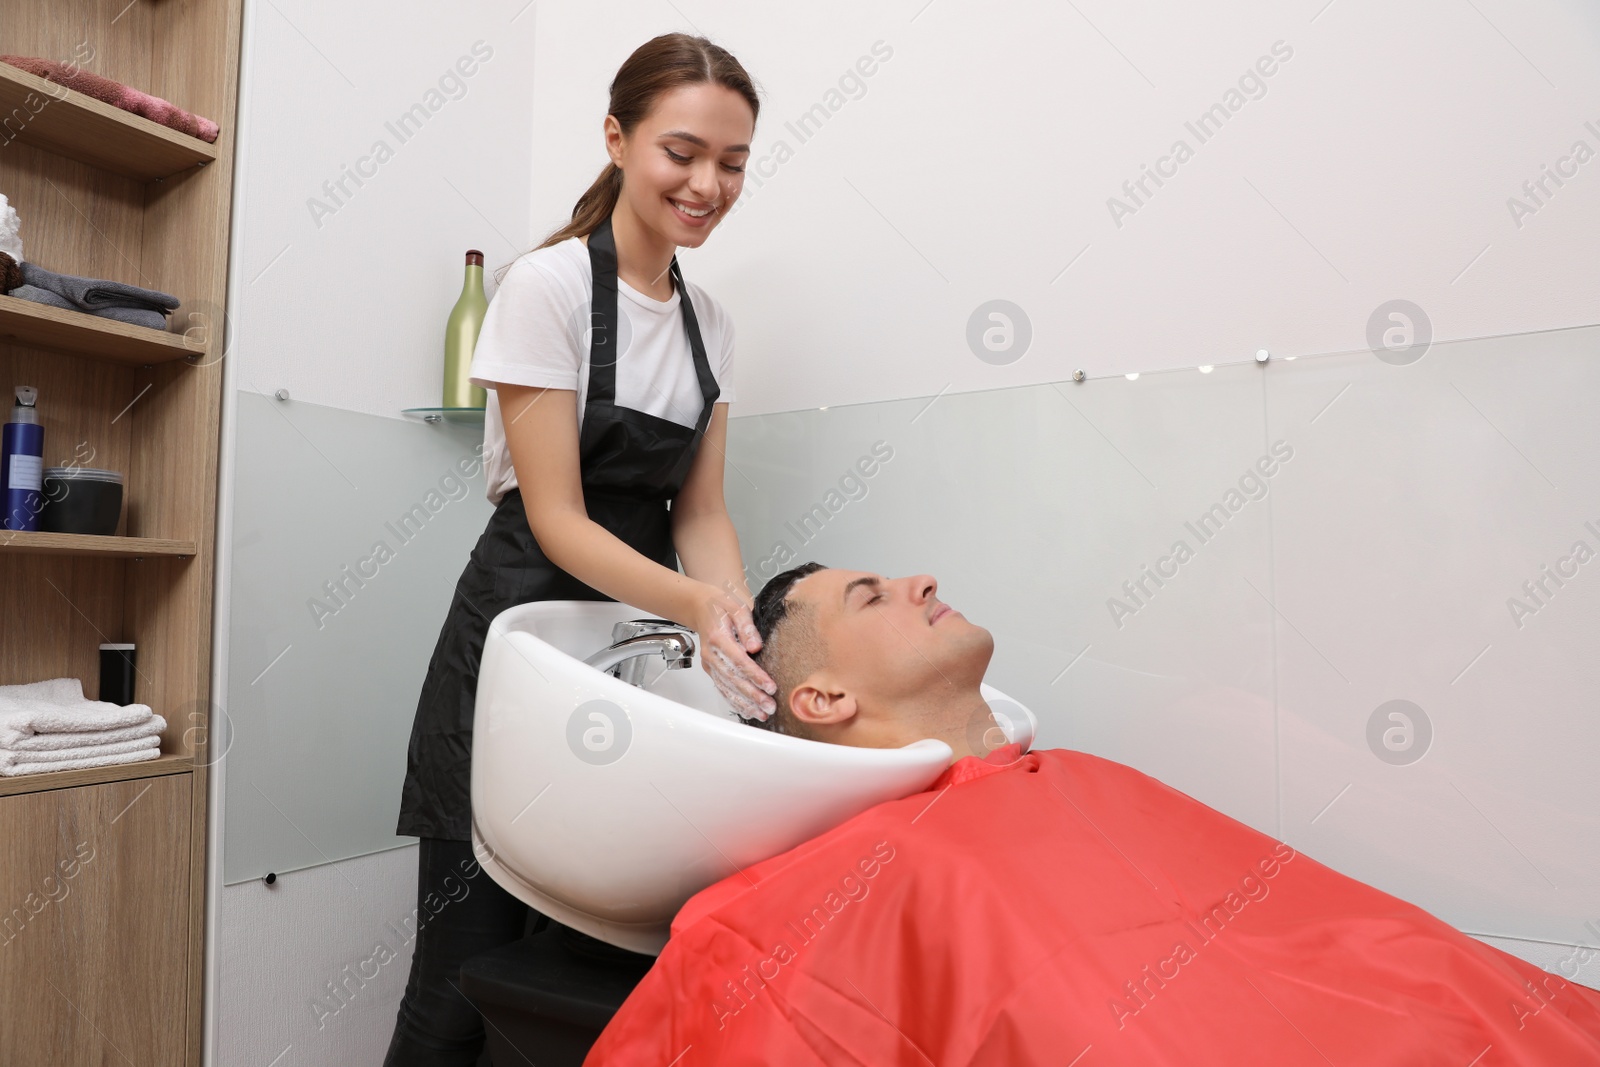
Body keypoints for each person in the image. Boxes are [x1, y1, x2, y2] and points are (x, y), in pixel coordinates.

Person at [584, 562, 1600, 1065]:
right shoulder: (846, 876)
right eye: (870, 595)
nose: (921, 579)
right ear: (821, 700)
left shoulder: (1082, 778)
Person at [383, 34, 779, 1066]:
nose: (708, 183)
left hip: (622, 655)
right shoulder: (546, 286)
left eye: (732, 161)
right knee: (458, 979)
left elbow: (699, 510)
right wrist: (693, 607)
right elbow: (557, 518)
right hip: (516, 642)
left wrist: (731, 616)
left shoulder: (711, 324)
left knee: (566, 984)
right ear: (617, 136)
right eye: (682, 152)